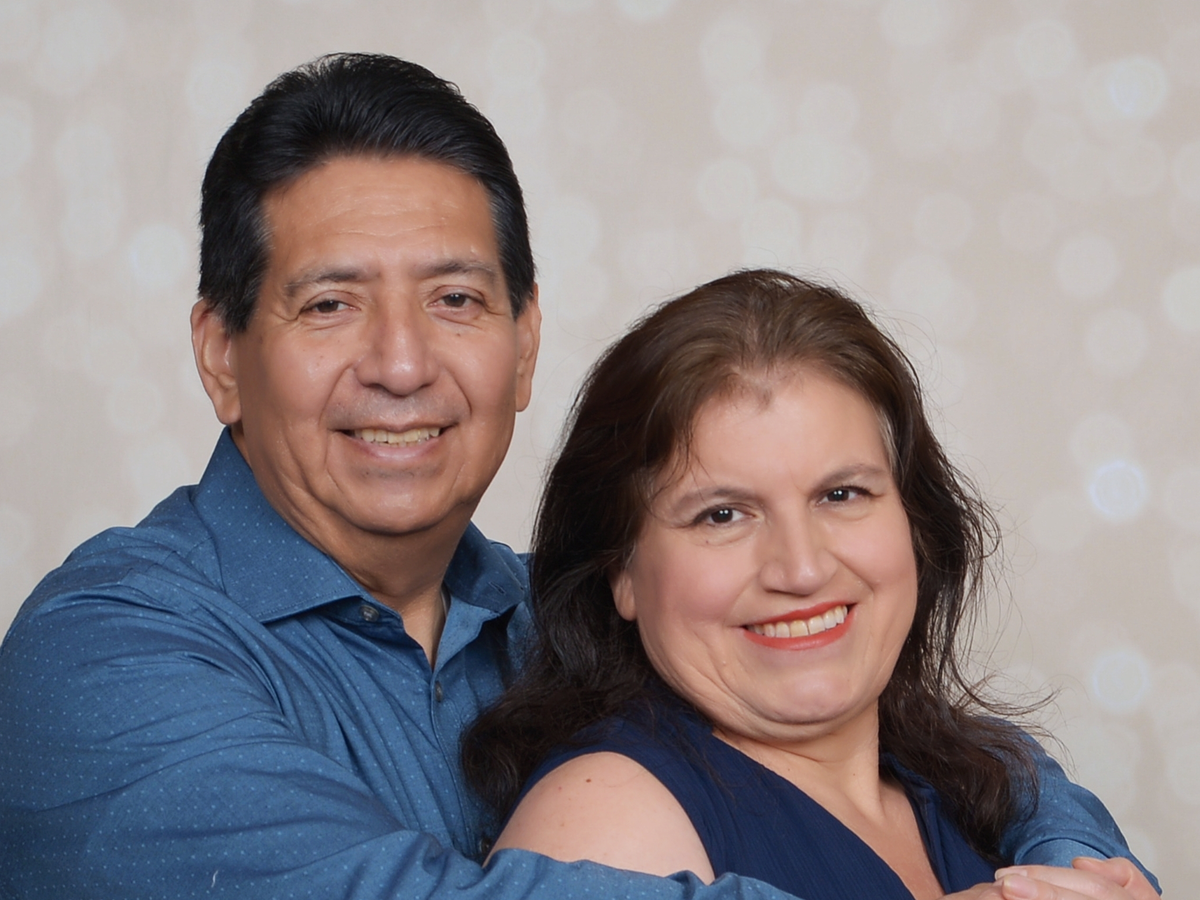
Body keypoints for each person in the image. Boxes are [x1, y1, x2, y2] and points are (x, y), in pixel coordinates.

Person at [0, 54, 1150, 900]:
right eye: (331, 303)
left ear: (525, 345)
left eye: (456, 299)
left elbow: (938, 747)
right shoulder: (106, 654)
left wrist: (1071, 866)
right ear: (221, 356)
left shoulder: (561, 614)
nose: (401, 364)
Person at [464, 269, 1161, 900]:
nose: (801, 570)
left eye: (841, 495)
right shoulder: (609, 820)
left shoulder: (974, 794)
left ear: (914, 522)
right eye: (723, 514)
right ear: (621, 571)